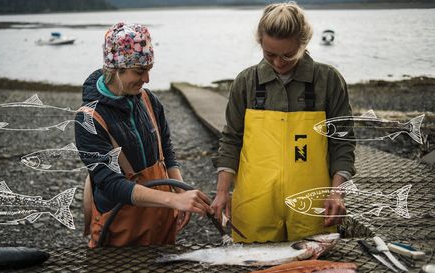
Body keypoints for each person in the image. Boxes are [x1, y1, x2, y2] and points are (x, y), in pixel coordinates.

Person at [211, 2, 356, 243]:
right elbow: (231, 139)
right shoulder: (246, 82)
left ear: (304, 42)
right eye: (270, 54)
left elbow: (342, 141)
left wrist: (337, 192)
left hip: (312, 204)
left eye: (288, 54)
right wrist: (222, 192)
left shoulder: (328, 80)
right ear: (260, 42)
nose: (278, 63)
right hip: (254, 204)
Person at [75, 22, 213, 247]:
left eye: (149, 69)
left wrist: (180, 189)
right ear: (115, 68)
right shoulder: (88, 119)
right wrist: (173, 200)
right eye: (140, 71)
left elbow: (166, 152)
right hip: (120, 225)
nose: (147, 79)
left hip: (161, 219)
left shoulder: (149, 101)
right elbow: (111, 184)